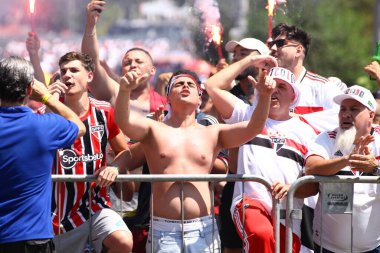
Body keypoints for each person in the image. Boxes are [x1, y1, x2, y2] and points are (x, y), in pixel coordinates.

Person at [114, 53, 278, 252]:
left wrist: (265, 97)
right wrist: (124, 90)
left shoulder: (212, 132)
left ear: (200, 98)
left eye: (191, 85)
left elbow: (253, 128)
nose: (185, 86)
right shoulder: (153, 129)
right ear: (168, 98)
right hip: (164, 232)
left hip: (203, 229)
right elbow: (124, 122)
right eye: (178, 84)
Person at [204, 63, 318, 253]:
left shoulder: (307, 131)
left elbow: (313, 185)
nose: (274, 90)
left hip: (288, 210)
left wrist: (292, 188)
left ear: (293, 95)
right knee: (260, 233)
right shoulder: (246, 114)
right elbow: (211, 86)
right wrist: (251, 59)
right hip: (249, 201)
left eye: (281, 87)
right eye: (271, 85)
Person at [269, 23, 346, 252]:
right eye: (272, 44)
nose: (274, 48)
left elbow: (339, 122)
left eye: (280, 43)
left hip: (310, 187)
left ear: (299, 50)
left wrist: (293, 121)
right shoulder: (268, 88)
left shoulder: (323, 87)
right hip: (277, 184)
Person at [46, 51, 133, 253]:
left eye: (74, 70)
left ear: (90, 76)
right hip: (55, 213)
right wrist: (48, 102)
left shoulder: (103, 111)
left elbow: (125, 152)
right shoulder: (45, 113)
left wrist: (114, 167)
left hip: (95, 205)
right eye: (63, 71)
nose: (67, 75)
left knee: (123, 241)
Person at [0, 56, 85, 253]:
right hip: (32, 237)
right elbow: (79, 126)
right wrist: (47, 97)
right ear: (30, 89)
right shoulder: (45, 126)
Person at [304, 85, 380, 253]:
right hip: (327, 246)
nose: (346, 114)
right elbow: (311, 167)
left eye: (354, 109)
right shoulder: (327, 137)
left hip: (373, 247)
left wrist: (375, 168)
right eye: (343, 109)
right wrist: (347, 160)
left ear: (371, 115)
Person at [215, 37, 271, 253]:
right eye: (234, 55)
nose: (235, 59)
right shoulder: (232, 95)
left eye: (243, 54)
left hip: (269, 186)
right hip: (236, 183)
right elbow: (212, 92)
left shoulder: (277, 90)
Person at [82, 0, 166, 114]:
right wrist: (90, 25)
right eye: (127, 63)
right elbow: (91, 62)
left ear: (152, 70)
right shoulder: (115, 93)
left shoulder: (165, 102)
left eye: (139, 61)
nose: (133, 65)